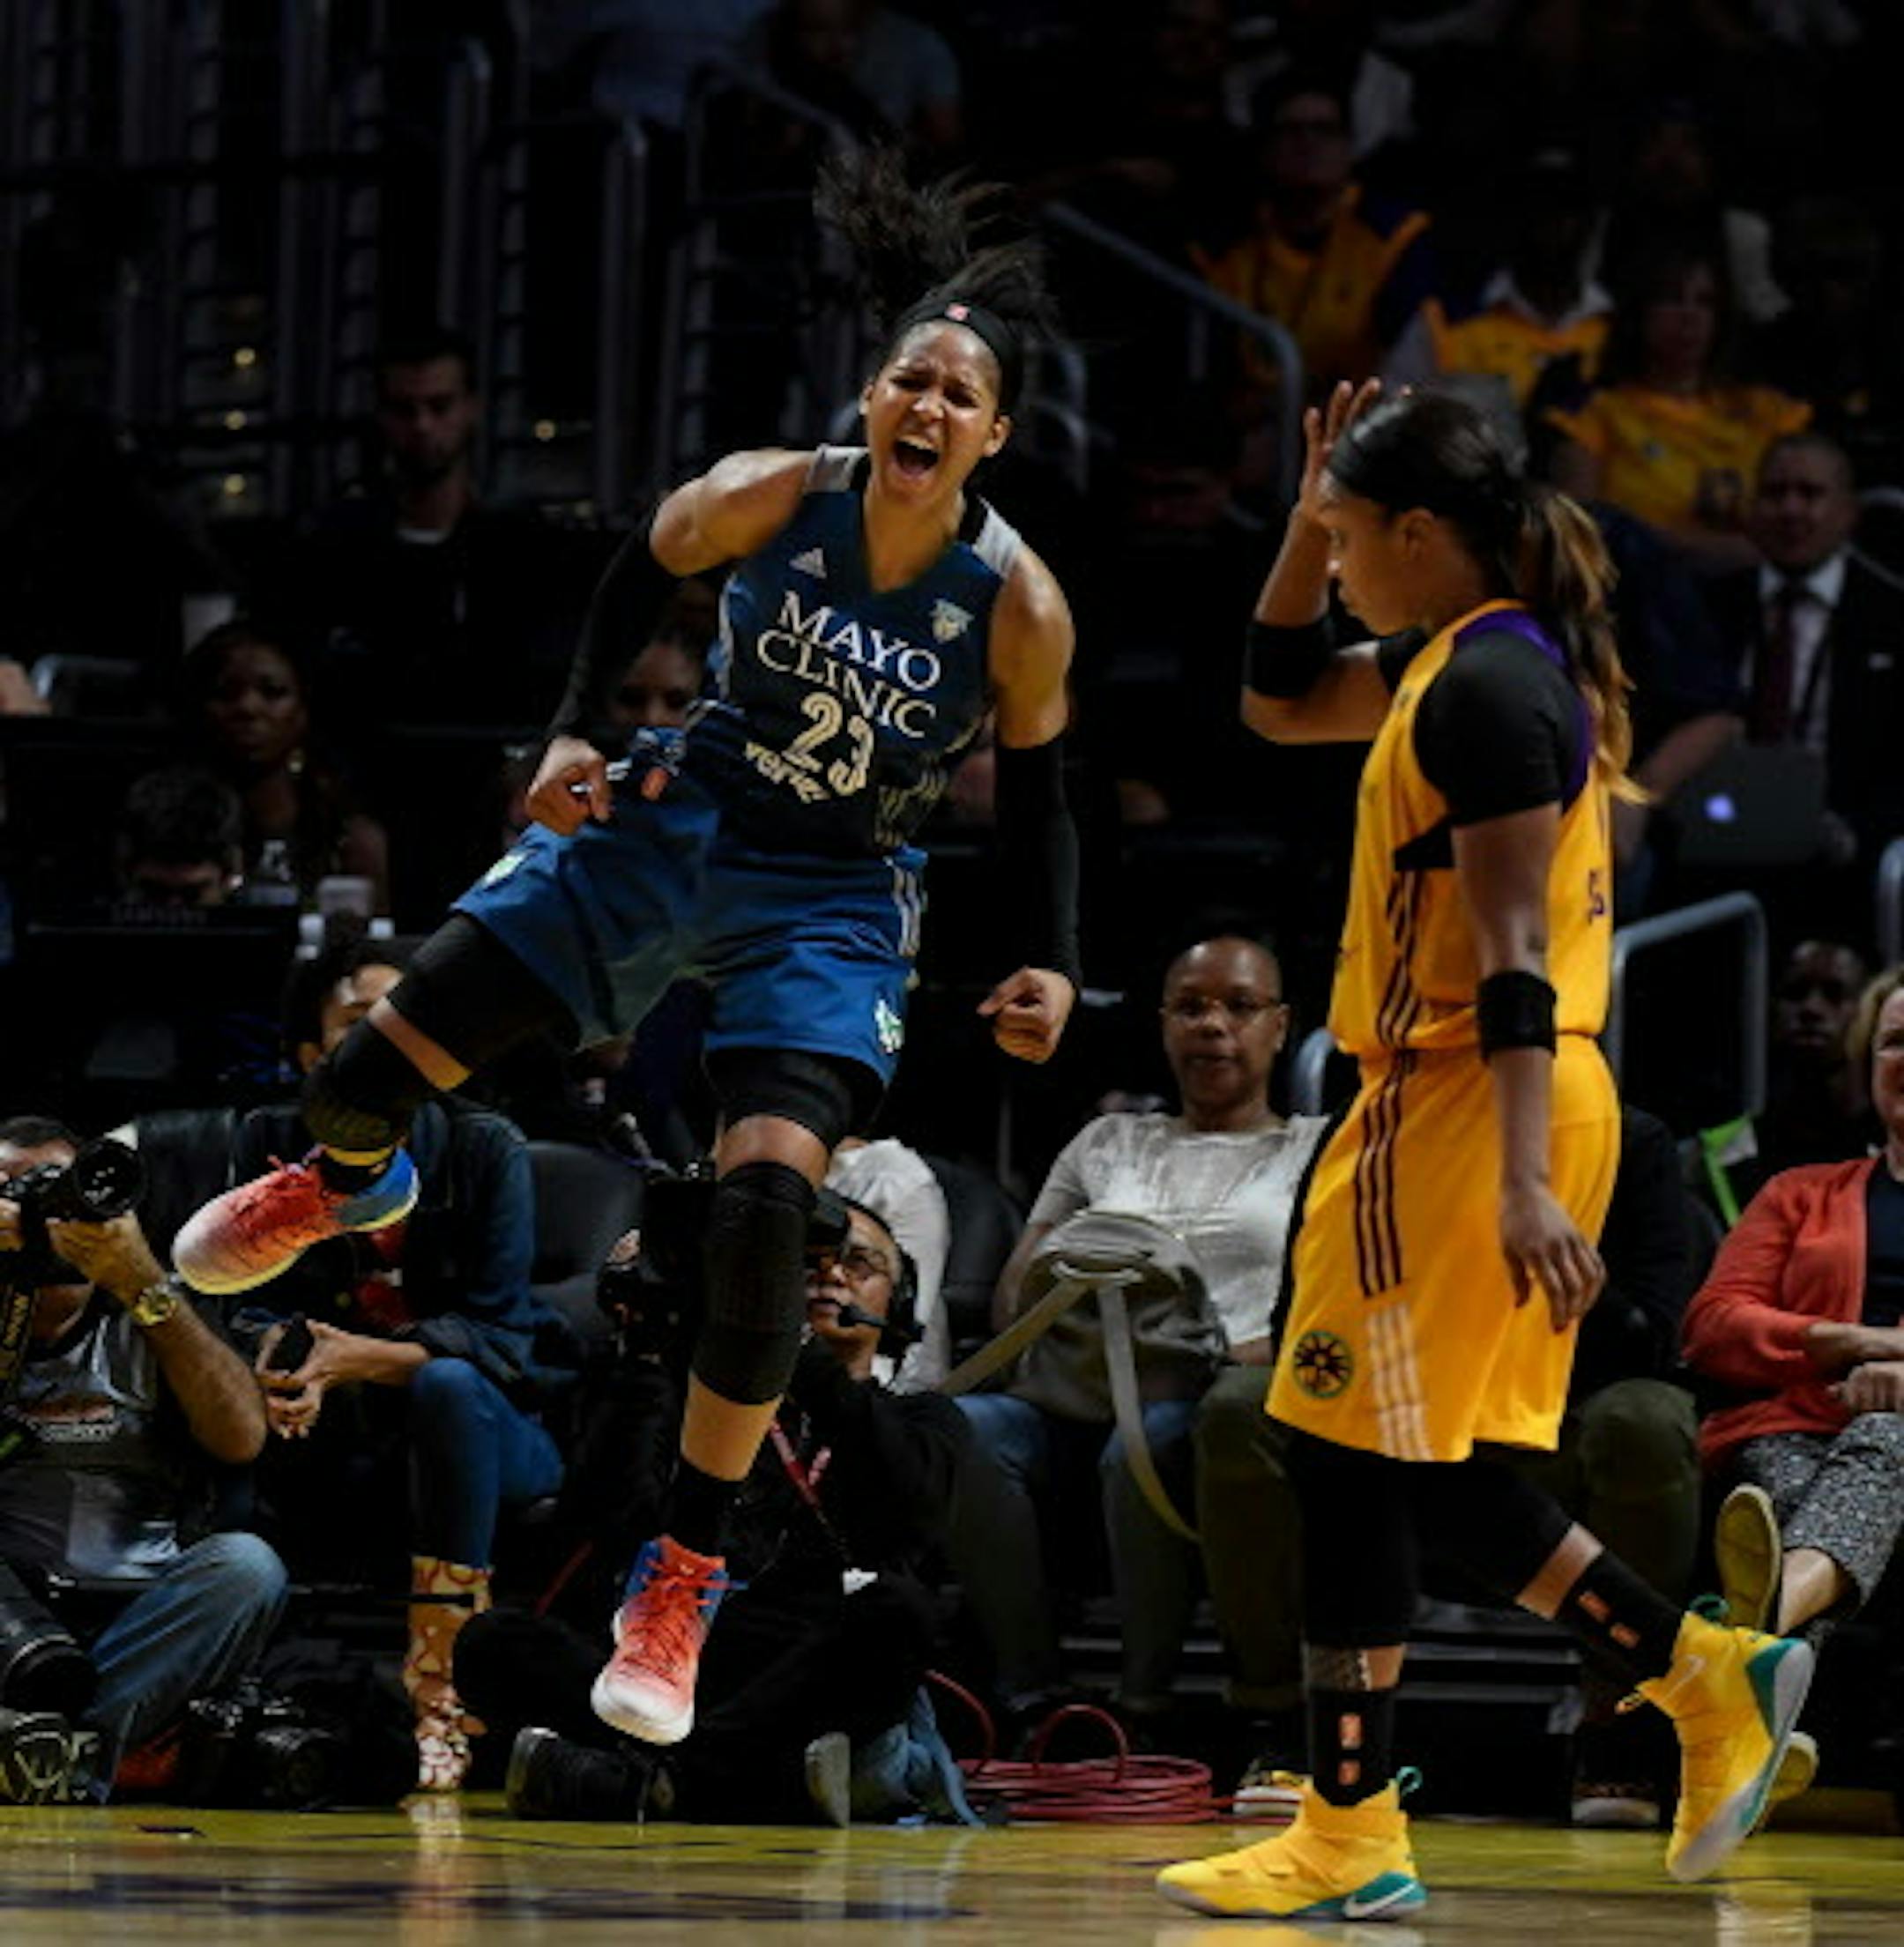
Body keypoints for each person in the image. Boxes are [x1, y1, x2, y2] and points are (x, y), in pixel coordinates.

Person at [172, 147, 1081, 1759]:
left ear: (993, 434)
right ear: (871, 397)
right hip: (682, 822)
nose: (926, 406)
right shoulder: (766, 491)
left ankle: (685, 1566)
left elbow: (1047, 794)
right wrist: (579, 727)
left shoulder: (1014, 601)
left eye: (960, 393)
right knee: (371, 1072)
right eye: (908, 378)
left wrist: (1048, 959)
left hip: (834, 894)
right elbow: (632, 568)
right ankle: (352, 1181)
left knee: (758, 1219)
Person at [1156, 383, 1814, 1921]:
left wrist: (1519, 1176)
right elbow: (1269, 690)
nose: (1327, 549)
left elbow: (1514, 953)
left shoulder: (1487, 695)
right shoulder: (1459, 663)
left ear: (1420, 533)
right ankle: (1697, 1673)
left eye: (1342, 531)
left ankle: (1355, 1820)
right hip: (1454, 1103)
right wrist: (1308, 518)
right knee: (1413, 1477)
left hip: (1471, 1100)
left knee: (1336, 1454)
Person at [141, 932, 571, 1791]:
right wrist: (277, 1359)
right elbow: (231, 1299)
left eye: (400, 1022)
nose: (381, 1045)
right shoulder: (259, 1138)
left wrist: (355, 1359)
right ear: (309, 1055)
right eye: (355, 1026)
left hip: (482, 1432)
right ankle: (202, 1689)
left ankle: (441, 1687)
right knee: (219, 1394)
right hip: (322, 1431)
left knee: (449, 1381)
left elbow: (503, 1340)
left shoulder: (486, 1148)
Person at [456, 1197, 970, 1825]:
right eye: (806, 1265)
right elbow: (605, 1522)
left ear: (899, 1298)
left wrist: (793, 1351)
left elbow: (908, 1517)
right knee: (490, 1641)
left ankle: (643, 1780)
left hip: (801, 1671)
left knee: (900, 1614)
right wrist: (646, 1349)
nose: (832, 1276)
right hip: (679, 1656)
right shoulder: (701, 1409)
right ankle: (726, 1782)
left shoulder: (924, 1418)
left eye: (858, 1263)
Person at [948, 933, 1327, 1740]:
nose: (1212, 1025)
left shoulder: (1314, 1149)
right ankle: (1031, 1697)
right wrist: (1076, 1274)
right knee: (965, 1427)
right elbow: (1014, 1294)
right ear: (1162, 1025)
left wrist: (1229, 1353)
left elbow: (1325, 1307)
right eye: (1190, 1007)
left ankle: (1140, 1702)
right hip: (1075, 1376)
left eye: (1238, 1006)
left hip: (1212, 1390)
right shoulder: (1105, 1142)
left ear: (1280, 1024)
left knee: (1142, 1443)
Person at [0, 1116, 283, 1802]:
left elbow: (242, 1437)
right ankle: (61, 1756)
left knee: (248, 1566)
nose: (46, 1218)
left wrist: (141, 1281)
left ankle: (53, 1754)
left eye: (60, 1194)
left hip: (134, 1612)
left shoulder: (150, 1310)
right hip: (7, 1612)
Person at [1683, 963, 1904, 1684]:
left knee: (1884, 1435)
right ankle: (1767, 1642)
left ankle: (1753, 1632)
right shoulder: (1798, 1192)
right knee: (1774, 1493)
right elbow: (1712, 1327)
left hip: (1889, 1436)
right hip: (1786, 1432)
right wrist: (1847, 1342)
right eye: (1894, 1042)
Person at [1704, 433, 1904, 874]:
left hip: (1850, 856)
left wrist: (1856, 837)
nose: (1791, 510)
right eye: (1775, 494)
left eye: (1810, 494)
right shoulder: (1709, 609)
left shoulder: (1891, 615)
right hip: (1719, 838)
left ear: (1849, 512)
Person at [1547, 241, 1811, 574]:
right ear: (1639, 312)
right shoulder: (1593, 414)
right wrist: (1695, 550)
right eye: (1672, 299)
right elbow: (1575, 539)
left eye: (1705, 302)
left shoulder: (1768, 411)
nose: (1690, 316)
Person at [1201, 76, 1434, 398]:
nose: (1307, 143)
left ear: (1350, 148)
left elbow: (1405, 362)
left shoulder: (1394, 235)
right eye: (1290, 130)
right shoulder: (1222, 246)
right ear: (1263, 147)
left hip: (1360, 421)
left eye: (1325, 130)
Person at [173, 620, 390, 913]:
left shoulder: (349, 841)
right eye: (226, 693)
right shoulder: (167, 825)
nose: (247, 708)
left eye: (272, 692)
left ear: (303, 709)